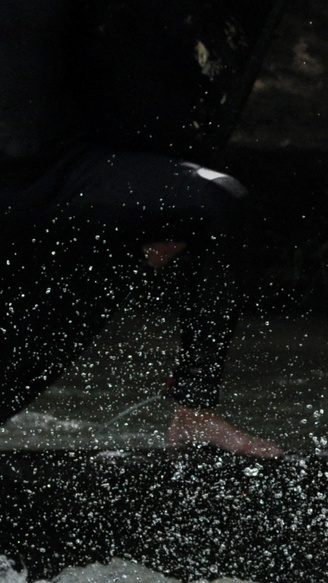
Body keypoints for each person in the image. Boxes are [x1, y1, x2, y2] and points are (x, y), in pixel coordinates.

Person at [0, 0, 280, 456]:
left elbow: (145, 57)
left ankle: (195, 411)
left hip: (69, 169)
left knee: (217, 201)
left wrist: (156, 202)